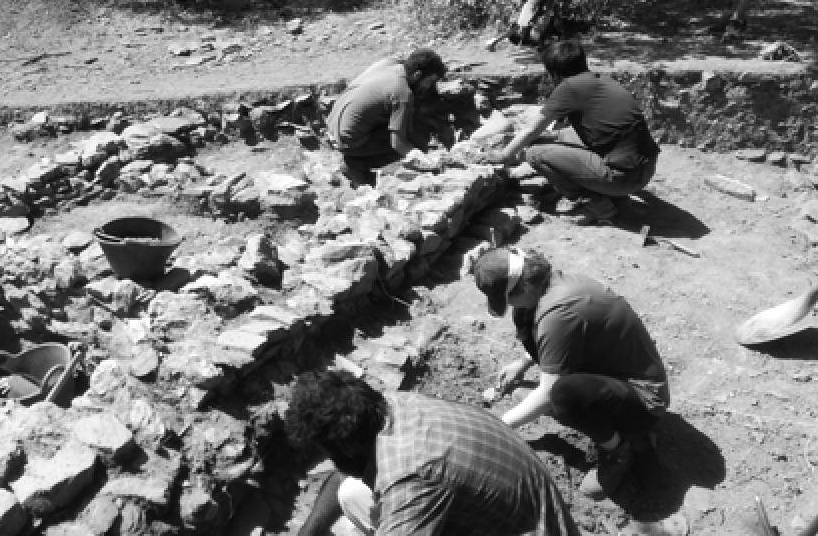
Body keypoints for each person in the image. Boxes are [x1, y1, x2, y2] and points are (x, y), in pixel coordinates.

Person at [473, 247, 669, 499]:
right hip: (611, 373)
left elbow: (548, 391)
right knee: (524, 317)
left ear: (524, 287)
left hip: (645, 400)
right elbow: (563, 340)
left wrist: (498, 427)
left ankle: (618, 451)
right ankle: (582, 411)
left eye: (508, 298)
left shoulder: (558, 314)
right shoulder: (550, 285)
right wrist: (521, 364)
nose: (509, 305)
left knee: (562, 395)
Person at [285, 369, 582, 536]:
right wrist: (309, 532)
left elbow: (413, 480)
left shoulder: (411, 475)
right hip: (510, 509)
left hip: (535, 529)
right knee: (351, 492)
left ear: (345, 446)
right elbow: (343, 474)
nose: (328, 460)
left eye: (327, 451)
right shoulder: (384, 407)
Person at [485, 40, 659, 225]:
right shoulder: (602, 80)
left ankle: (598, 205)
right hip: (646, 168)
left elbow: (531, 129)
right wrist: (547, 137)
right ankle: (610, 193)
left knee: (534, 154)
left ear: (554, 73)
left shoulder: (569, 87)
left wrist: (504, 155)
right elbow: (592, 130)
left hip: (624, 180)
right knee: (558, 136)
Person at [325, 49, 447, 186]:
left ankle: (355, 158)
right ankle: (356, 165)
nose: (430, 87)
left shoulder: (389, 64)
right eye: (430, 81)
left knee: (400, 122)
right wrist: (424, 160)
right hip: (348, 141)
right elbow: (398, 143)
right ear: (417, 75)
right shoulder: (402, 94)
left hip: (331, 126)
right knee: (415, 135)